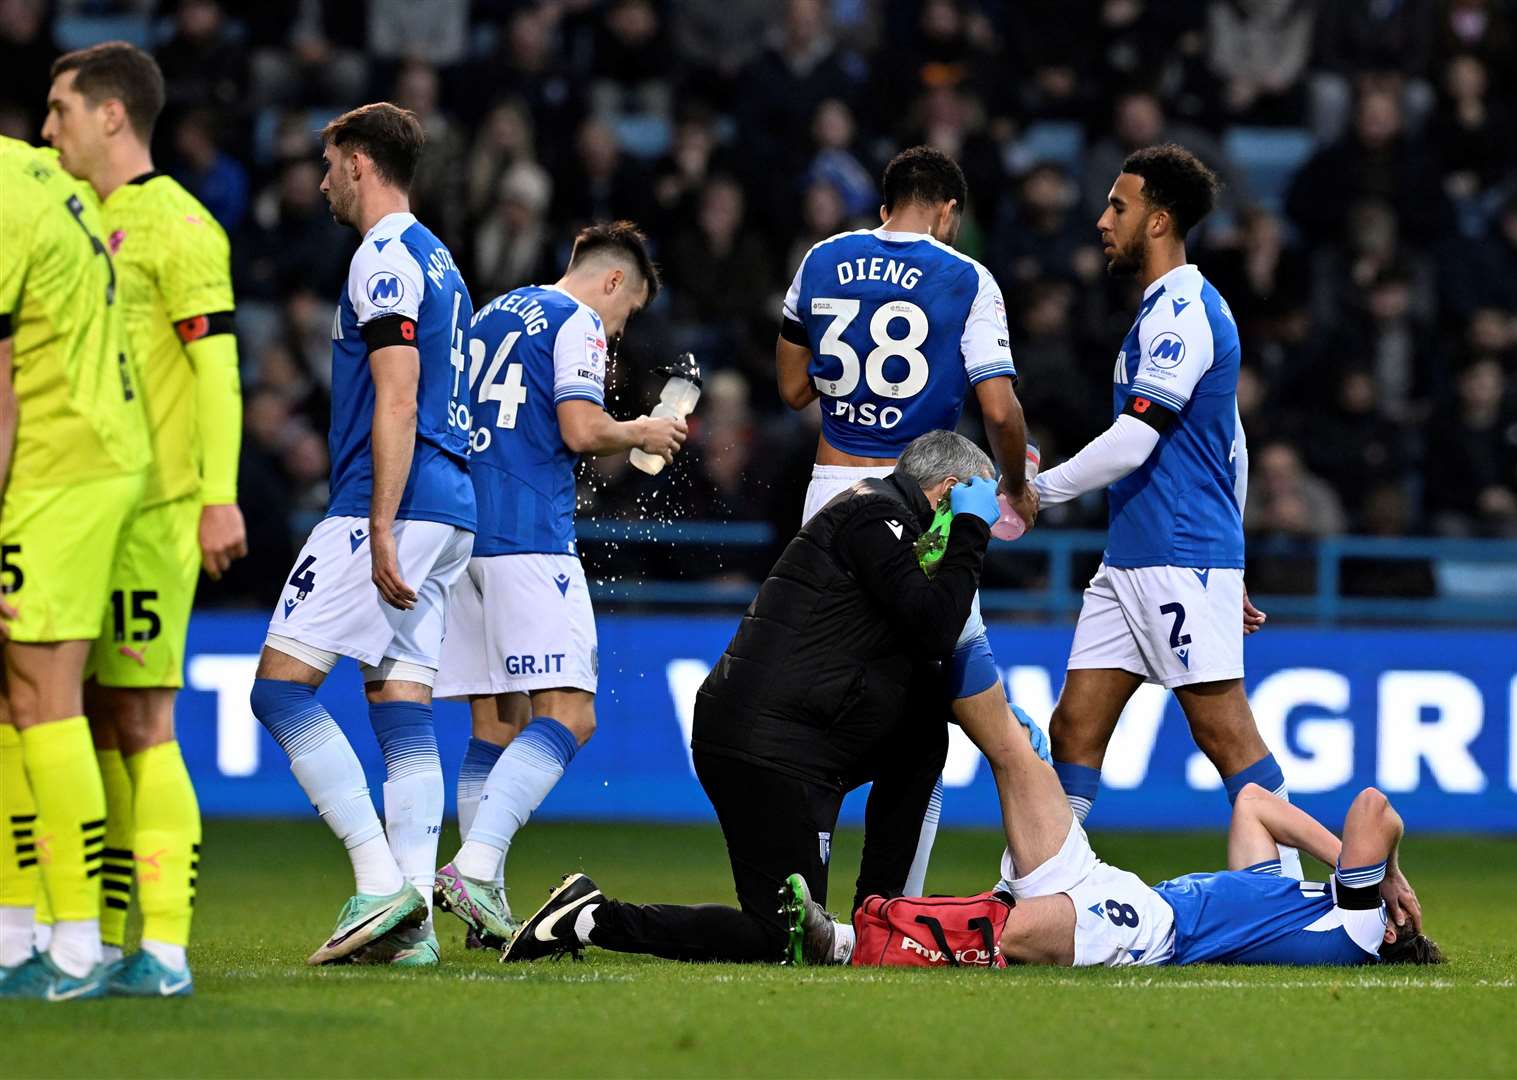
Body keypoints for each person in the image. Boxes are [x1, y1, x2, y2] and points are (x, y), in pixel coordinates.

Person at [501, 431, 1002, 965]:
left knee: (922, 732)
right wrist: (971, 530)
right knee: (778, 941)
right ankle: (591, 917)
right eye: (981, 502)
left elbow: (918, 647)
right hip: (766, 747)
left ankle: (878, 922)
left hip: (798, 738)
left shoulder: (881, 519)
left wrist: (994, 709)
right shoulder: (875, 517)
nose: (986, 519)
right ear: (949, 491)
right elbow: (933, 628)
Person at [1026, 144, 1303, 876]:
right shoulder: (1162, 310)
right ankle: (1049, 883)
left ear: (1159, 221)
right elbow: (1233, 444)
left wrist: (1039, 490)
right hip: (1134, 556)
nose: (1101, 220)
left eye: (1118, 207)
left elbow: (1132, 442)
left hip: (1179, 553)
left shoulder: (1183, 312)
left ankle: (1299, 893)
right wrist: (1235, 557)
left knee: (1225, 736)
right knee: (1075, 727)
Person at [245, 103, 477, 967]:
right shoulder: (441, 258)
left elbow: (398, 392)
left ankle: (379, 879)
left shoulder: (382, 257)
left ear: (363, 164)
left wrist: (377, 520)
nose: (320, 182)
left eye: (329, 163)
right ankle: (412, 922)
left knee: (279, 690)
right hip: (453, 506)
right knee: (400, 706)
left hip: (391, 503)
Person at [775, 144, 1037, 896]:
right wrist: (1015, 483)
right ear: (949, 210)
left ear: (885, 200)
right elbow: (998, 407)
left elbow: (794, 386)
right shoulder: (966, 278)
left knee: (815, 696)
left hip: (827, 499)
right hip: (916, 505)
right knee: (933, 714)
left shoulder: (822, 258)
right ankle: (902, 906)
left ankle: (799, 889)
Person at [42, 41, 246, 997]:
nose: (49, 131)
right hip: (80, 507)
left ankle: (160, 944)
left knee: (140, 716)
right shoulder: (75, 215)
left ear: (113, 115)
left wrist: (216, 497)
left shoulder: (181, 226)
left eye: (62, 112)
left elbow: (216, 371)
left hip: (154, 513)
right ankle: (101, 933)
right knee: (78, 717)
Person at [433, 222, 686, 948]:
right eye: (629, 309)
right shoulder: (579, 321)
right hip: (530, 539)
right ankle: (475, 868)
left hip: (463, 535)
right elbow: (578, 428)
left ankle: (485, 909)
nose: (621, 324)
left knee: (495, 724)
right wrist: (639, 430)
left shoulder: (494, 311)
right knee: (572, 715)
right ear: (612, 282)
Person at [0, 135, 151, 1000]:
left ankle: (76, 944)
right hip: (83, 463)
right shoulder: (46, 180)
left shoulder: (15, 197)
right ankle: (23, 931)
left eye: (65, 108)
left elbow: (4, 387)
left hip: (58, 472)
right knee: (23, 704)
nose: (55, 128)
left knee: (45, 703)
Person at [789, 785, 1438, 969]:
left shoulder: (1355, 927)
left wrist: (1387, 878)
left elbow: (1373, 808)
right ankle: (864, 927)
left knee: (1006, 929)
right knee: (1021, 756)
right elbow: (1253, 806)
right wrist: (1355, 870)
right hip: (1135, 894)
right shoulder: (1292, 902)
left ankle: (846, 942)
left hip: (1157, 933)